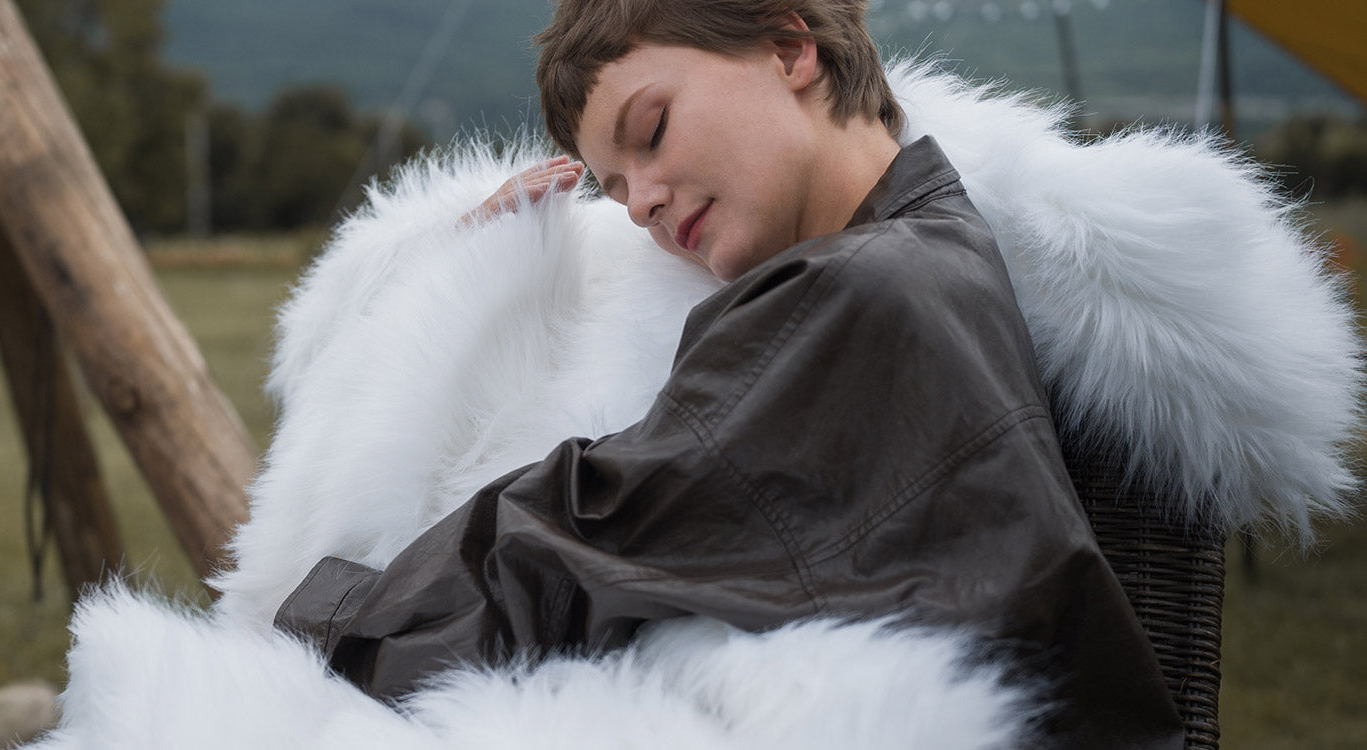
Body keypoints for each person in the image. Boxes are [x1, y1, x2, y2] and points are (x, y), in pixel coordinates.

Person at [273, 1, 1185, 748]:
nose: (643, 205)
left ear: (791, 47)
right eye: (616, 188)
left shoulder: (861, 292)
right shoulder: (919, 247)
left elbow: (574, 538)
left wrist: (311, 624)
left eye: (653, 130)